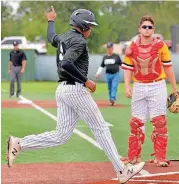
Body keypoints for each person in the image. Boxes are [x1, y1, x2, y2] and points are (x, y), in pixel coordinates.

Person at [6, 6, 145, 183]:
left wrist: (51, 20)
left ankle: (20, 143)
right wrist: (86, 81)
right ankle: (121, 170)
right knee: (100, 128)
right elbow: (66, 63)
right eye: (90, 26)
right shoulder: (79, 41)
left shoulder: (64, 37)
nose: (91, 29)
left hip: (62, 90)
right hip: (75, 89)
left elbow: (51, 38)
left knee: (61, 136)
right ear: (83, 26)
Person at [121, 15, 178, 167]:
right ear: (139, 29)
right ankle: (134, 156)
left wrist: (174, 88)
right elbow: (128, 68)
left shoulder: (161, 46)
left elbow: (168, 67)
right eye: (144, 27)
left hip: (157, 85)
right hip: (139, 86)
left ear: (153, 30)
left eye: (150, 27)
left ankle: (160, 157)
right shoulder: (132, 47)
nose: (147, 29)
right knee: (136, 123)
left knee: (159, 122)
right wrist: (127, 85)